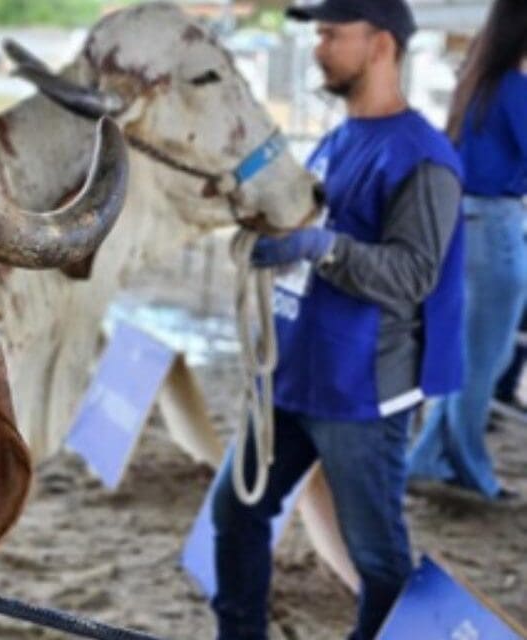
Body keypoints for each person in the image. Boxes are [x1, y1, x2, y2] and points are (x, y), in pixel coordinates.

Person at [208, 1, 465, 638]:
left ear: (380, 45)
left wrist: (324, 250)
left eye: (331, 34)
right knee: (236, 514)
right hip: (293, 376)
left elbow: (413, 275)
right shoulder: (336, 136)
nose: (318, 47)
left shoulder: (422, 158)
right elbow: (306, 213)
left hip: (361, 393)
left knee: (378, 559)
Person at [407, 0, 527, 499]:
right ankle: (473, 474)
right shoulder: (515, 89)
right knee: (484, 362)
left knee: (474, 357)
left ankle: (427, 460)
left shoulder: (475, 83)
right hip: (496, 225)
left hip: (464, 223)